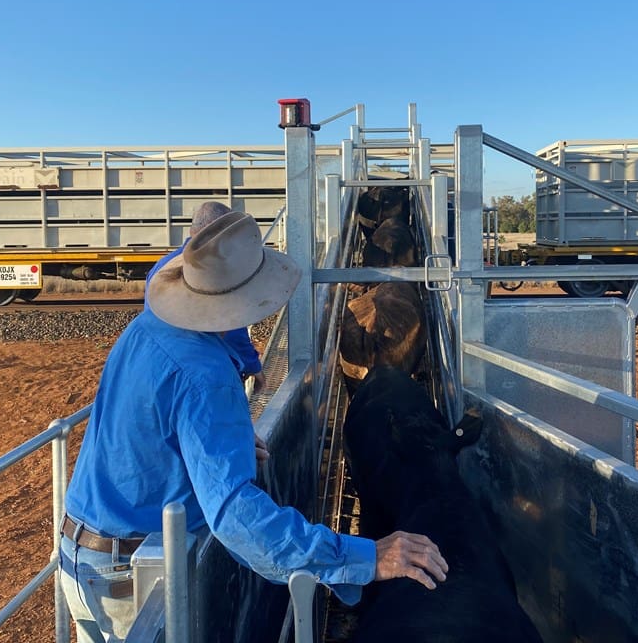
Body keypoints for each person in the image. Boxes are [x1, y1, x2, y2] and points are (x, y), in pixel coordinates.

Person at [58, 210, 447, 642]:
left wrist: (227, 443)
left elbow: (145, 432)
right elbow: (236, 516)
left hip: (80, 553)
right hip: (132, 581)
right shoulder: (207, 375)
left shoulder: (147, 327)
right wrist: (365, 556)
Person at [145, 201, 266, 392]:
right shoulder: (216, 269)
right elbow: (230, 324)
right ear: (218, 233)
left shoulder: (162, 267)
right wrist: (252, 365)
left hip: (160, 370)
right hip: (205, 377)